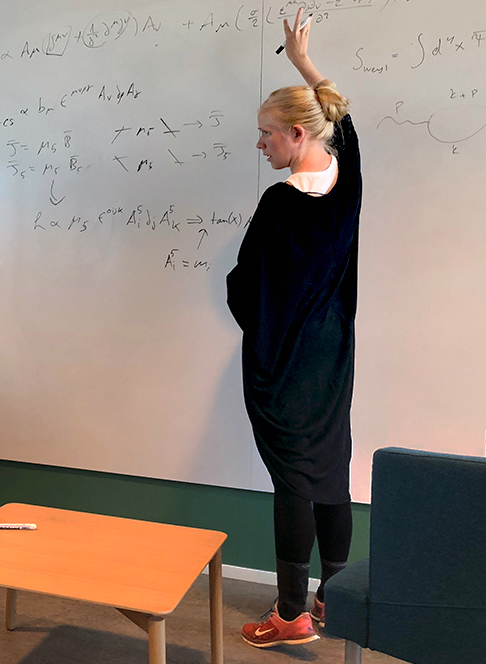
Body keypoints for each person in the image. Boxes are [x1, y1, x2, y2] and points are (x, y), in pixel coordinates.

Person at [226, 8, 361, 649]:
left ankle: (289, 615)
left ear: (297, 133)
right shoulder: (348, 177)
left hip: (285, 366)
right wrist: (304, 62)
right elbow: (345, 120)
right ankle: (334, 600)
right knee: (331, 474)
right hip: (334, 358)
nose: (261, 145)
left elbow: (245, 288)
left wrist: (258, 331)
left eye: (267, 135)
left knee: (294, 484)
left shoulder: (280, 204)